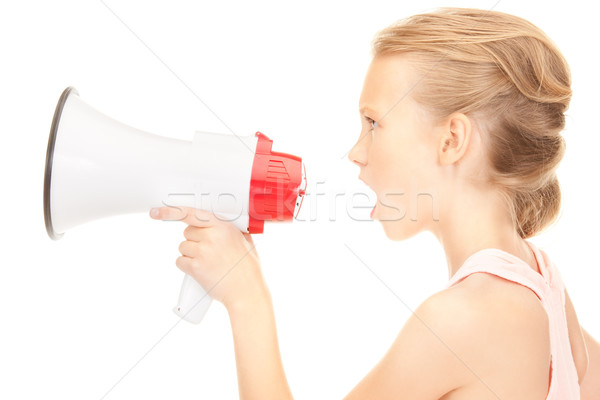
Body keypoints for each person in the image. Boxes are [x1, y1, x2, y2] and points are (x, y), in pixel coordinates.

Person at [150, 7, 600, 400]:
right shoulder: (545, 282)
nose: (356, 152)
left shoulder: (461, 319)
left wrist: (246, 296)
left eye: (373, 123)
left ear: (451, 140)